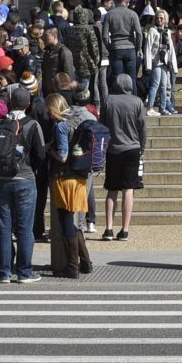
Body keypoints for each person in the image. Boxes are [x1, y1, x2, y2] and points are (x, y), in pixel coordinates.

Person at [0, 96, 47, 282]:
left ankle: (4, 272)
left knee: (4, 226)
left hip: (1, 180)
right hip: (25, 178)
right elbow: (41, 154)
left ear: (10, 104)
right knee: (24, 228)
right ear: (28, 104)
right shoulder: (32, 125)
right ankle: (24, 272)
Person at [47, 93, 98, 278]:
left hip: (64, 177)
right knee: (74, 222)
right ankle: (85, 262)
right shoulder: (78, 119)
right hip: (79, 177)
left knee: (66, 221)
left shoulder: (61, 125)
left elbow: (62, 155)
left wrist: (49, 149)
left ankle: (72, 266)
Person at [100, 72, 146, 242]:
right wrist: (142, 147)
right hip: (132, 148)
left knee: (112, 190)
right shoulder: (137, 102)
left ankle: (108, 228)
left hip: (112, 149)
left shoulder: (108, 101)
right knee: (128, 189)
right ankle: (125, 230)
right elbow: (142, 128)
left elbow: (102, 125)